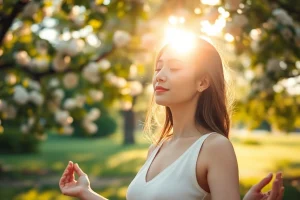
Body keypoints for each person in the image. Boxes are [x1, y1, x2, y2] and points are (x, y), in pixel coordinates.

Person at [59, 34, 285, 200]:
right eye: (158, 68)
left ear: (202, 82)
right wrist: (86, 193)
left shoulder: (215, 147)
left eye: (174, 68)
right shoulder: (157, 148)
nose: (160, 76)